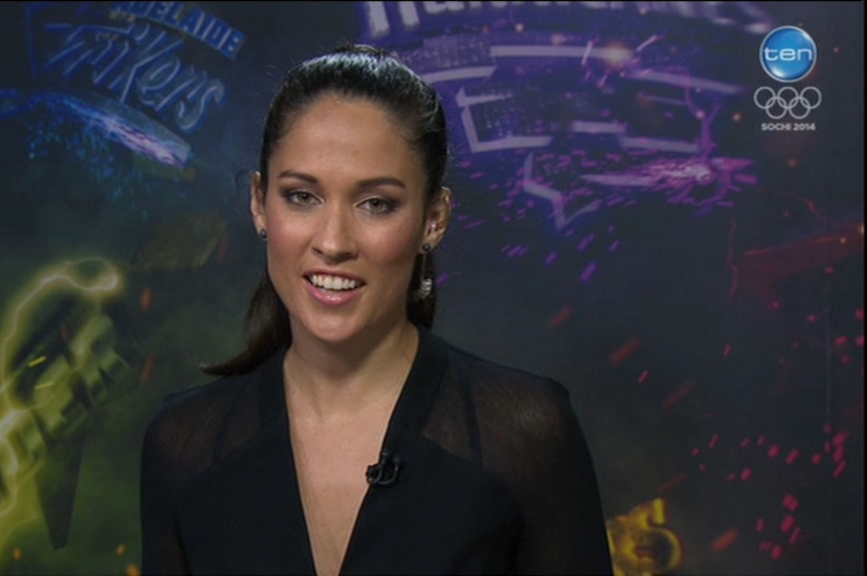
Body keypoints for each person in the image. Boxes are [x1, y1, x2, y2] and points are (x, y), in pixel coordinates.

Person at [140, 43, 613, 576]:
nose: (333, 242)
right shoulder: (182, 443)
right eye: (302, 196)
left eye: (376, 204)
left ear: (434, 219)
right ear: (259, 202)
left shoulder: (527, 433)